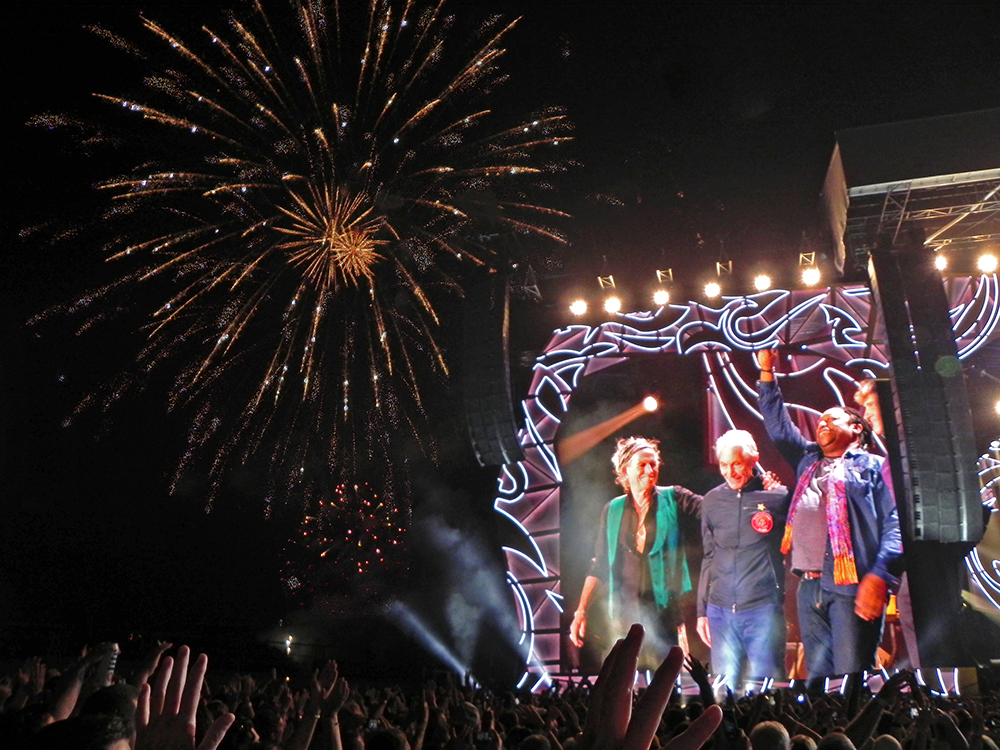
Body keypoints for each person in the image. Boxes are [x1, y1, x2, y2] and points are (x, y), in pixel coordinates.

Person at [755, 350, 902, 684]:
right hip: (808, 587)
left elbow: (896, 523)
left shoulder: (874, 468)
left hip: (851, 585)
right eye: (819, 420)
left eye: (831, 419)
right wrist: (767, 373)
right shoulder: (808, 460)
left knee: (851, 679)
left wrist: (880, 575)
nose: (821, 423)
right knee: (818, 682)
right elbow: (778, 426)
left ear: (856, 428)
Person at [569, 437, 701, 660]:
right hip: (623, 611)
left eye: (654, 464)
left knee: (663, 677)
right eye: (642, 465)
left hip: (664, 611)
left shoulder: (674, 497)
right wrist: (581, 611)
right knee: (623, 676)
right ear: (625, 470)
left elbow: (713, 509)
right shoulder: (612, 510)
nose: (650, 470)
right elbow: (600, 565)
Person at [696, 430, 789, 690]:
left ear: (753, 459)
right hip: (720, 612)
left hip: (763, 610)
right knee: (723, 694)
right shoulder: (712, 501)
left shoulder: (778, 498)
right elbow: (709, 556)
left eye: (736, 463)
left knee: (768, 690)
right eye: (724, 464)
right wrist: (702, 611)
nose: (730, 471)